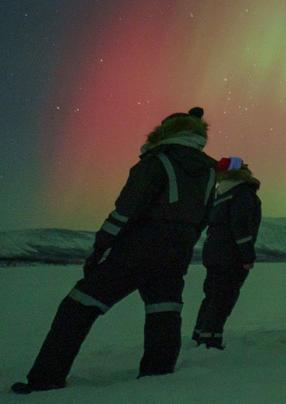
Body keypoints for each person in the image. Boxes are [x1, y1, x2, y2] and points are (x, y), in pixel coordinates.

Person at [12, 108, 215, 395]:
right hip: (177, 252)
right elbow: (205, 216)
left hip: (137, 250)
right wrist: (181, 242)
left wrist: (101, 246)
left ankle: (47, 378)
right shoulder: (207, 171)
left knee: (78, 306)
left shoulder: (157, 161)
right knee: (164, 310)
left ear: (166, 131)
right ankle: (158, 377)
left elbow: (126, 210)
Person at [192, 156, 262, 349]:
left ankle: (199, 335)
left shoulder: (220, 194)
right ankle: (210, 340)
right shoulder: (242, 193)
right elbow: (241, 226)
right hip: (231, 255)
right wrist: (247, 255)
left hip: (213, 253)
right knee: (223, 298)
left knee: (212, 295)